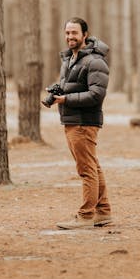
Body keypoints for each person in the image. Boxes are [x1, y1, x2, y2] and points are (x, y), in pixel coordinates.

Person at [49, 17, 113, 229]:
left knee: (86, 170)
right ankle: (103, 212)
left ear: (85, 34)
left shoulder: (95, 61)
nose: (70, 37)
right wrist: (59, 89)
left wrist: (66, 99)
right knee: (93, 167)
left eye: (74, 33)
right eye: (67, 33)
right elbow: (75, 86)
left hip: (84, 122)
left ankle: (85, 216)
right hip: (72, 120)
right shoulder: (70, 59)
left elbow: (96, 95)